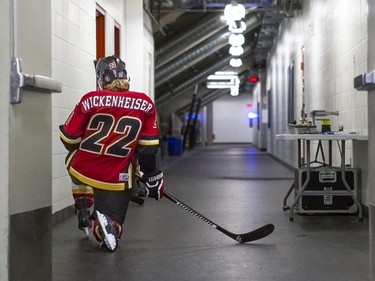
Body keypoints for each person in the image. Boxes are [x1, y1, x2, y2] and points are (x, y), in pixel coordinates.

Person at [59, 55, 164, 252]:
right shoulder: (145, 103)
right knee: (114, 227)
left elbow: (69, 140)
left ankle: (83, 201)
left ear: (101, 79)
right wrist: (151, 175)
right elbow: (148, 146)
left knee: (74, 158)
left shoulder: (90, 99)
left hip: (86, 169)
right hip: (117, 177)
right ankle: (106, 223)